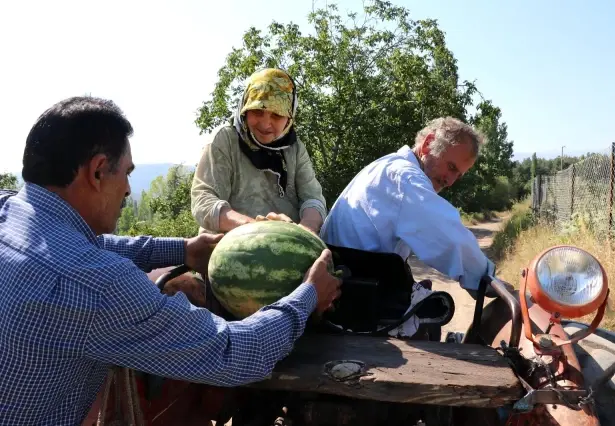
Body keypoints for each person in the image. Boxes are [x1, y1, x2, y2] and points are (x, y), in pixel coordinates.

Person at [0, 96, 341, 426]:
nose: (129, 190)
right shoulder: (98, 287)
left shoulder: (9, 212)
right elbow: (231, 354)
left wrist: (184, 250)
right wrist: (309, 294)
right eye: (127, 173)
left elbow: (94, 246)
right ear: (99, 172)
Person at [319, 117, 501, 338]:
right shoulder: (405, 178)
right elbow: (449, 236)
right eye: (451, 167)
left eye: (458, 175)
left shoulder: (386, 167)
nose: (450, 181)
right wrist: (487, 281)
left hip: (351, 284)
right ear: (428, 144)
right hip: (356, 299)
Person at [191, 68, 327, 235]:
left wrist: (305, 232)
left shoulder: (295, 149)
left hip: (286, 243)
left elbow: (313, 199)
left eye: (276, 115)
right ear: (245, 109)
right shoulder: (224, 141)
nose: (265, 123)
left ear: (289, 118)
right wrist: (255, 228)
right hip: (228, 245)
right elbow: (204, 200)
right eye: (257, 111)